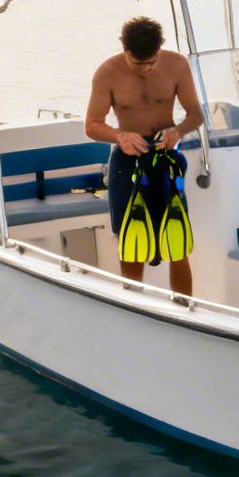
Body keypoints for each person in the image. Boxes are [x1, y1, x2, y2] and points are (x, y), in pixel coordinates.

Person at [85, 16, 203, 294]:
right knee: (131, 240)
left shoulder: (177, 65)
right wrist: (119, 136)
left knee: (177, 238)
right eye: (139, 64)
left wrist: (178, 130)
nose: (147, 69)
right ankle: (134, 305)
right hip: (127, 158)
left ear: (160, 48)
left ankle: (184, 308)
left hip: (166, 156)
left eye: (152, 61)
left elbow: (196, 115)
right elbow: (91, 125)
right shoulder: (107, 73)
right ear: (125, 51)